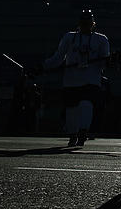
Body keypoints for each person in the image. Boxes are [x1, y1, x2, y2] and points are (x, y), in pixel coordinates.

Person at [43, 9, 110, 147]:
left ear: (93, 24)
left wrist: (109, 61)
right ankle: (73, 135)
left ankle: (82, 133)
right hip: (71, 81)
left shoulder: (101, 39)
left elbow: (105, 62)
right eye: (83, 22)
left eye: (88, 22)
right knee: (71, 109)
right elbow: (58, 57)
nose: (86, 25)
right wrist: (43, 66)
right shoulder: (69, 37)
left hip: (90, 81)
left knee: (86, 104)